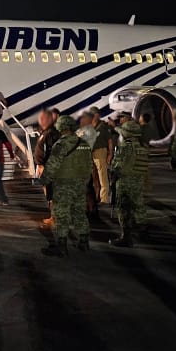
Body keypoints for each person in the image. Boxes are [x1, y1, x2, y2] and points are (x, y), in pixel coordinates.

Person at [40, 115, 93, 256]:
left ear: (61, 127)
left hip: (63, 185)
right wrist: (84, 182)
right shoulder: (84, 144)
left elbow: (52, 165)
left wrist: (44, 180)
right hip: (80, 184)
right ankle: (84, 243)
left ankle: (62, 246)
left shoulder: (61, 144)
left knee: (62, 215)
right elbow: (89, 166)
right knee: (80, 213)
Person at [108, 121, 149, 247]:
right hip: (138, 180)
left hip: (126, 181)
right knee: (138, 206)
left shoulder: (127, 146)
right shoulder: (142, 146)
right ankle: (142, 233)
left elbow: (123, 165)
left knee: (123, 208)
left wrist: (114, 174)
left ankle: (126, 237)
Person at [35, 108, 61, 227]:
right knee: (50, 194)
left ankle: (55, 218)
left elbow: (52, 152)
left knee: (53, 194)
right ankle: (53, 216)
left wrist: (46, 167)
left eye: (43, 118)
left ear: (50, 119)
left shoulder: (51, 134)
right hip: (44, 168)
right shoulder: (45, 132)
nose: (41, 120)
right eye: (40, 118)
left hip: (49, 169)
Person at [89, 107, 113, 205]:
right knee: (94, 177)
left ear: (96, 115)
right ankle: (96, 196)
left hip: (101, 151)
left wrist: (110, 154)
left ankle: (104, 198)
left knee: (102, 176)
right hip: (91, 153)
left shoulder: (103, 126)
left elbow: (110, 141)